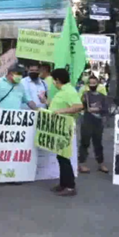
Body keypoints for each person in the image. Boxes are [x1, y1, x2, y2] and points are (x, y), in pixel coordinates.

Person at [49, 68, 84, 197]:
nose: (53, 82)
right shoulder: (63, 91)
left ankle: (70, 186)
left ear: (57, 80)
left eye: (53, 80)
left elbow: (79, 106)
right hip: (58, 127)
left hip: (65, 127)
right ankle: (63, 183)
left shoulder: (69, 91)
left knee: (64, 157)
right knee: (60, 156)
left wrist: (60, 111)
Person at [78, 75, 109, 174]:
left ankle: (101, 163)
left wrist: (97, 109)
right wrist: (83, 103)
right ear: (87, 84)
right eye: (90, 83)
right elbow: (80, 107)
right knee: (85, 142)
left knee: (98, 143)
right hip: (87, 121)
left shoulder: (102, 96)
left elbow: (105, 110)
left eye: (94, 83)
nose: (92, 85)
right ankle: (82, 163)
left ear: (98, 84)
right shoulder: (85, 95)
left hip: (98, 122)